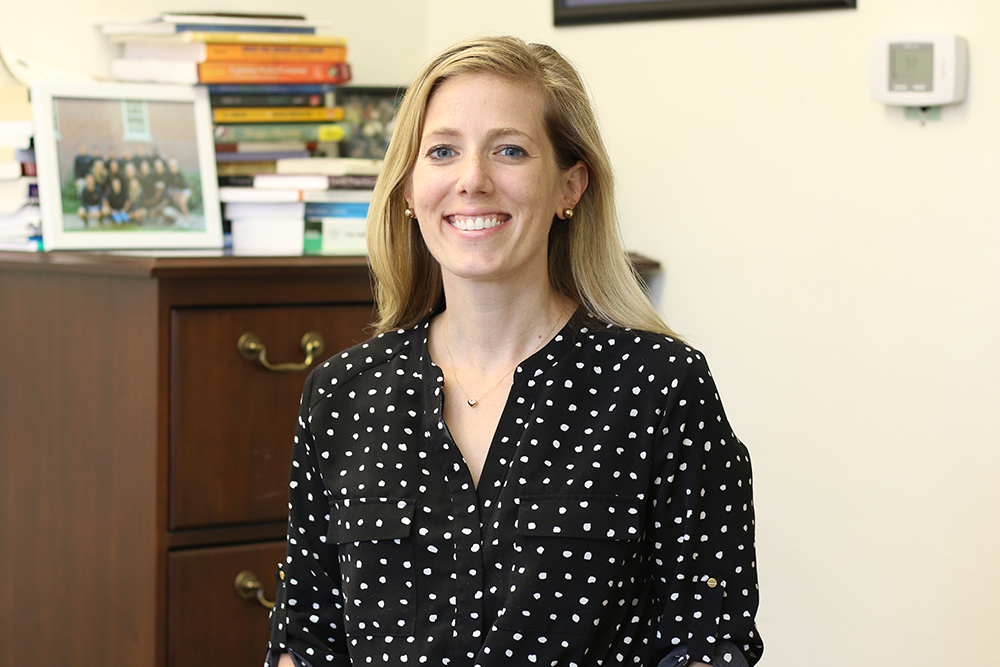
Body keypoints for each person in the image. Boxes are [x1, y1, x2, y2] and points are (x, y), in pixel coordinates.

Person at [267, 36, 762, 667]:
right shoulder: (341, 394)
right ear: (410, 192)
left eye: (509, 150)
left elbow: (708, 638)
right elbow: (305, 637)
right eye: (442, 151)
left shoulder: (660, 386)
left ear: (569, 186)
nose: (473, 180)